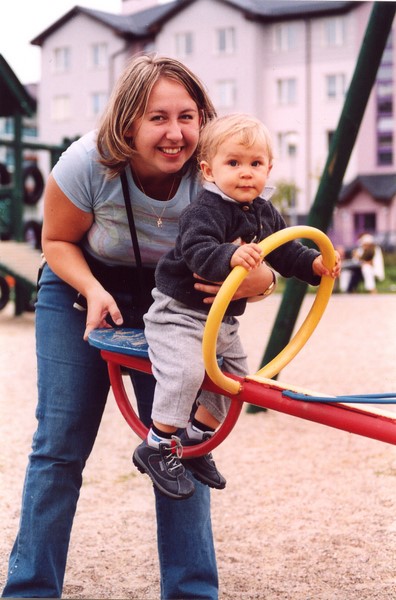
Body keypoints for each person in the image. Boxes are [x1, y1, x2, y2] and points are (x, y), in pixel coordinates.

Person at [1, 55, 272, 600]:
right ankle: (30, 590)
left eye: (188, 117)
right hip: (84, 288)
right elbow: (55, 242)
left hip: (174, 302)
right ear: (128, 121)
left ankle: (192, 591)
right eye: (157, 118)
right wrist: (92, 290)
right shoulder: (87, 164)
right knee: (60, 443)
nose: (176, 134)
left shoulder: (219, 170)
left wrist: (256, 283)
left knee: (184, 442)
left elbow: (265, 256)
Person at [133, 113, 341, 500]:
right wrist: (231, 255)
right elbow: (197, 251)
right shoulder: (205, 209)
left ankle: (197, 439)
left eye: (255, 164)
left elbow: (286, 248)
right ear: (209, 170)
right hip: (179, 314)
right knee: (187, 371)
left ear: (269, 168)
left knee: (236, 381)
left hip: (221, 321)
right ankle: (158, 445)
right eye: (234, 163)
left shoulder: (263, 210)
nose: (246, 173)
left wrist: (313, 264)